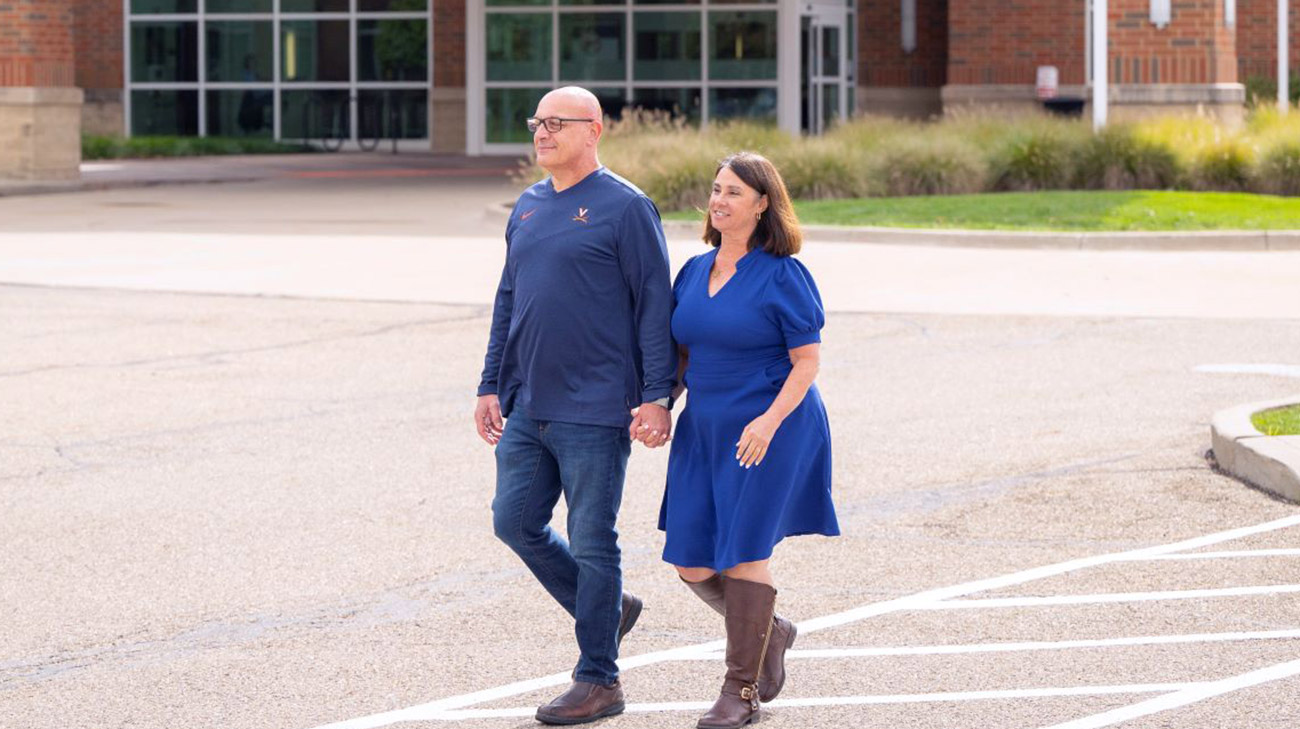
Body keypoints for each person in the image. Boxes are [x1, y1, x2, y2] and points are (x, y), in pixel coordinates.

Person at [474, 86, 676, 725]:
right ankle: (608, 610)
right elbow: (510, 298)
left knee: (594, 541)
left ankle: (600, 680)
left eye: (556, 123)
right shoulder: (528, 206)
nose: (541, 132)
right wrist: (489, 384)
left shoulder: (626, 207)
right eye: (536, 122)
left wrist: (656, 397)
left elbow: (654, 306)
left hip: (595, 408)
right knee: (515, 521)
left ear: (594, 130)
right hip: (528, 404)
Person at [657, 152, 840, 729]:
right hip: (704, 428)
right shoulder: (693, 270)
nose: (720, 200)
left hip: (769, 429)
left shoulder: (784, 273)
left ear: (763, 204)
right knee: (690, 560)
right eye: (716, 189)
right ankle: (772, 632)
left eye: (735, 192)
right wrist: (660, 405)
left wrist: (767, 422)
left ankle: (741, 691)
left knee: (743, 556)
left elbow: (806, 363)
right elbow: (684, 354)